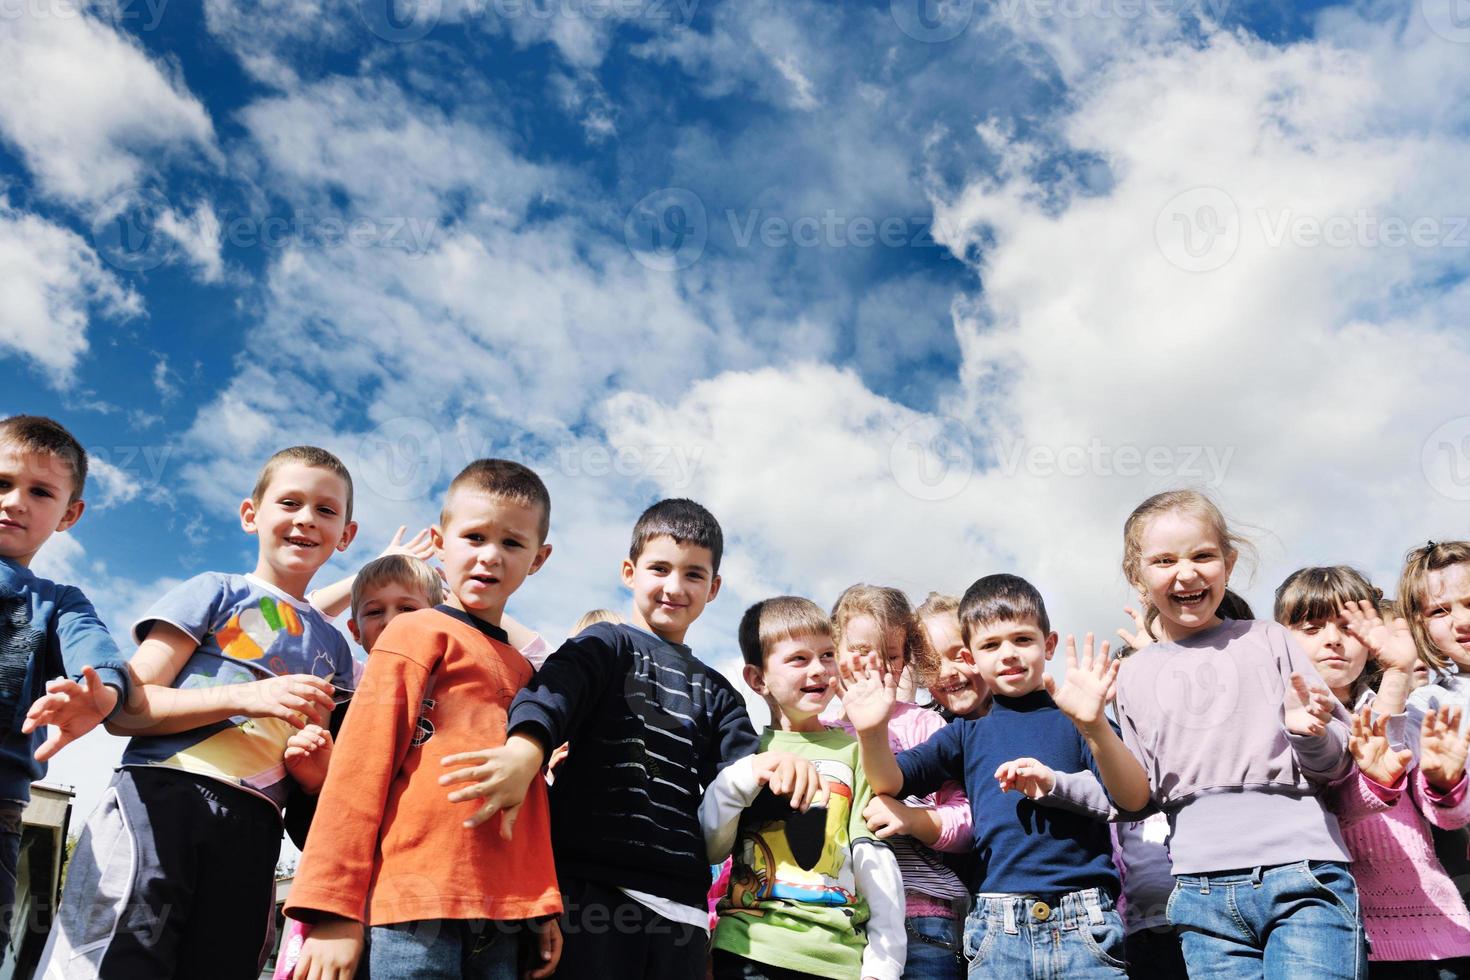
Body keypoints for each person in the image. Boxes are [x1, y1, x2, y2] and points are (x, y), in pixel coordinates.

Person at [435, 498, 823, 979]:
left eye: (694, 575)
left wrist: (781, 775)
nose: (674, 587)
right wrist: (524, 750)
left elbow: (735, 787)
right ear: (629, 571)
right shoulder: (604, 644)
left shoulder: (720, 694)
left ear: (714, 587)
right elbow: (552, 696)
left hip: (681, 910)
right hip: (586, 891)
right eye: (659, 568)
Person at [36, 446, 359, 978]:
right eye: (291, 502)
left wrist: (312, 773)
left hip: (257, 828)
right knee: (115, 961)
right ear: (251, 515)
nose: (306, 519)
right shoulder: (217, 591)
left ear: (345, 534)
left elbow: (318, 767)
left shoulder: (339, 651)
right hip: (162, 799)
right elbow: (131, 708)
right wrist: (245, 696)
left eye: (326, 510)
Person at [285, 459, 563, 980]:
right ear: (440, 541)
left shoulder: (528, 672)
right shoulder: (415, 634)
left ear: (539, 558)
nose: (489, 556)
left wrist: (541, 901)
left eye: (512, 544)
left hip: (502, 917)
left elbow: (531, 799)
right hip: (412, 904)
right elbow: (359, 768)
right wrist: (331, 910)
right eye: (475, 536)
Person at [844, 573, 1148, 978]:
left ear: (1049, 643)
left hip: (1085, 921)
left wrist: (1094, 726)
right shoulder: (965, 734)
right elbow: (890, 782)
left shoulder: (1078, 716)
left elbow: (1133, 799)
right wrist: (871, 731)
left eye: (1022, 639)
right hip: (997, 928)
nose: (1008, 654)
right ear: (974, 654)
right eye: (990, 644)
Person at [1111, 490, 1361, 978]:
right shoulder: (1132, 676)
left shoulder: (1271, 640)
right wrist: (1090, 728)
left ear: (1228, 561)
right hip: (1200, 895)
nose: (1186, 573)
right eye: (1164, 560)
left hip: (1302, 874)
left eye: (1202, 555)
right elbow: (1136, 797)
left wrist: (1308, 735)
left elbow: (1337, 763)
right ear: (1136, 576)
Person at [703, 596, 905, 980]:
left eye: (827, 655)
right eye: (799, 659)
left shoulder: (856, 751)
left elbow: (873, 859)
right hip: (748, 948)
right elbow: (713, 844)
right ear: (757, 679)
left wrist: (884, 964)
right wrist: (745, 777)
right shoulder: (747, 753)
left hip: (837, 957)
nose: (819, 669)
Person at [0, 416, 132, 960]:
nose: (14, 502)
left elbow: (100, 661)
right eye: (2, 483)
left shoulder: (58, 603)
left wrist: (98, 696)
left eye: (40, 491)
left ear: (68, 515)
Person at [831, 586, 970, 978]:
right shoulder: (822, 733)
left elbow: (967, 819)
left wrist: (912, 819)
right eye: (860, 651)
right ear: (833, 650)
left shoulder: (925, 725)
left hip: (923, 919)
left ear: (906, 660)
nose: (875, 666)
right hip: (841, 920)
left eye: (891, 656)